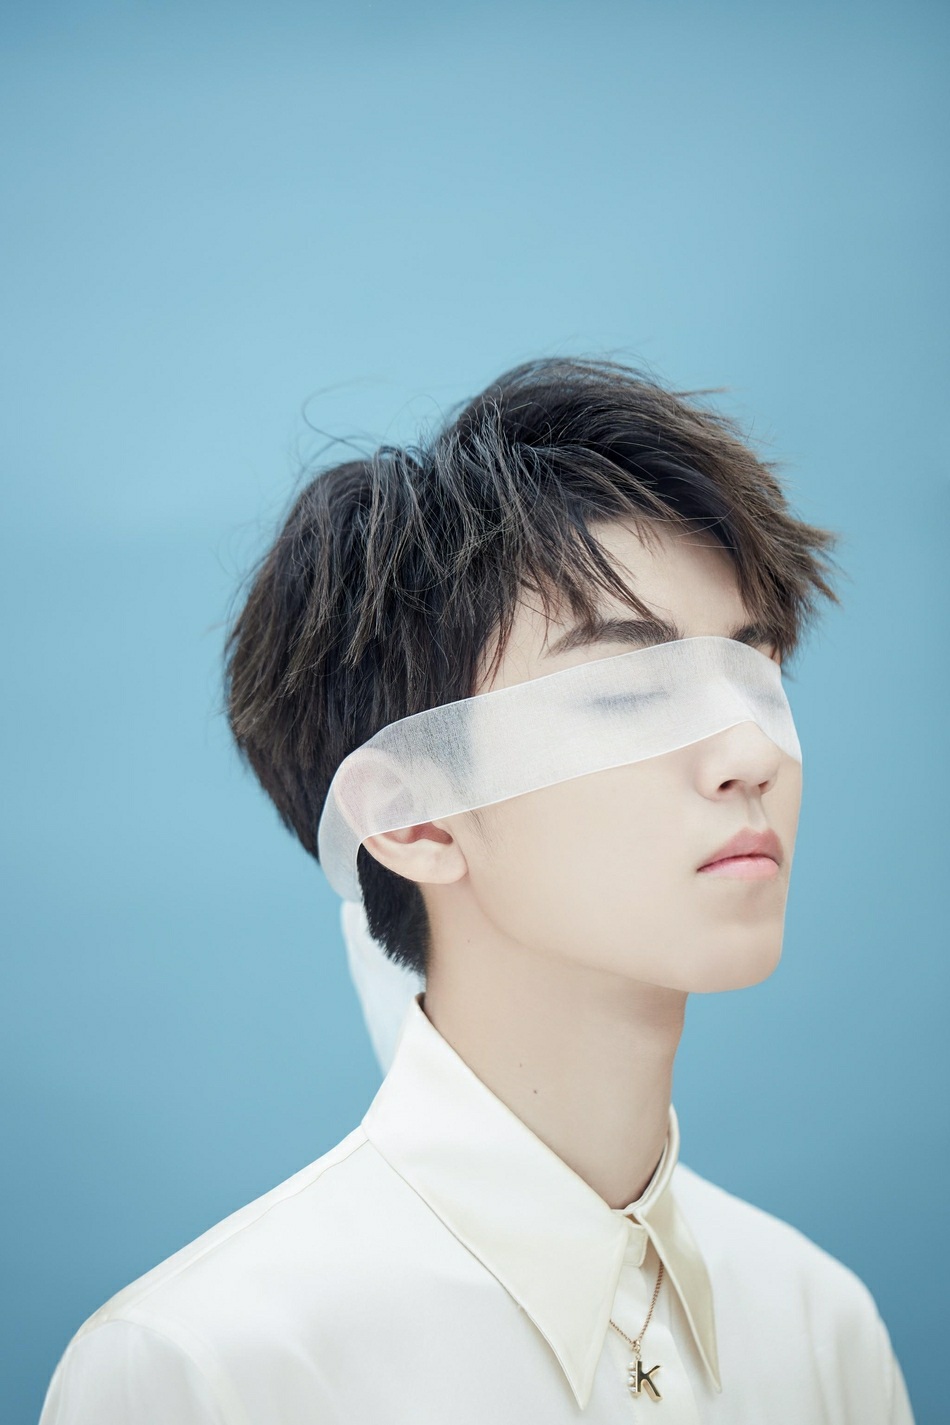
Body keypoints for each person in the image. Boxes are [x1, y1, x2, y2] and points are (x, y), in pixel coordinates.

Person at [39, 358, 915, 1423]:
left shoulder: (819, 1326)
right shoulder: (207, 1371)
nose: (750, 754)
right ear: (412, 816)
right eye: (630, 689)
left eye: (756, 669)